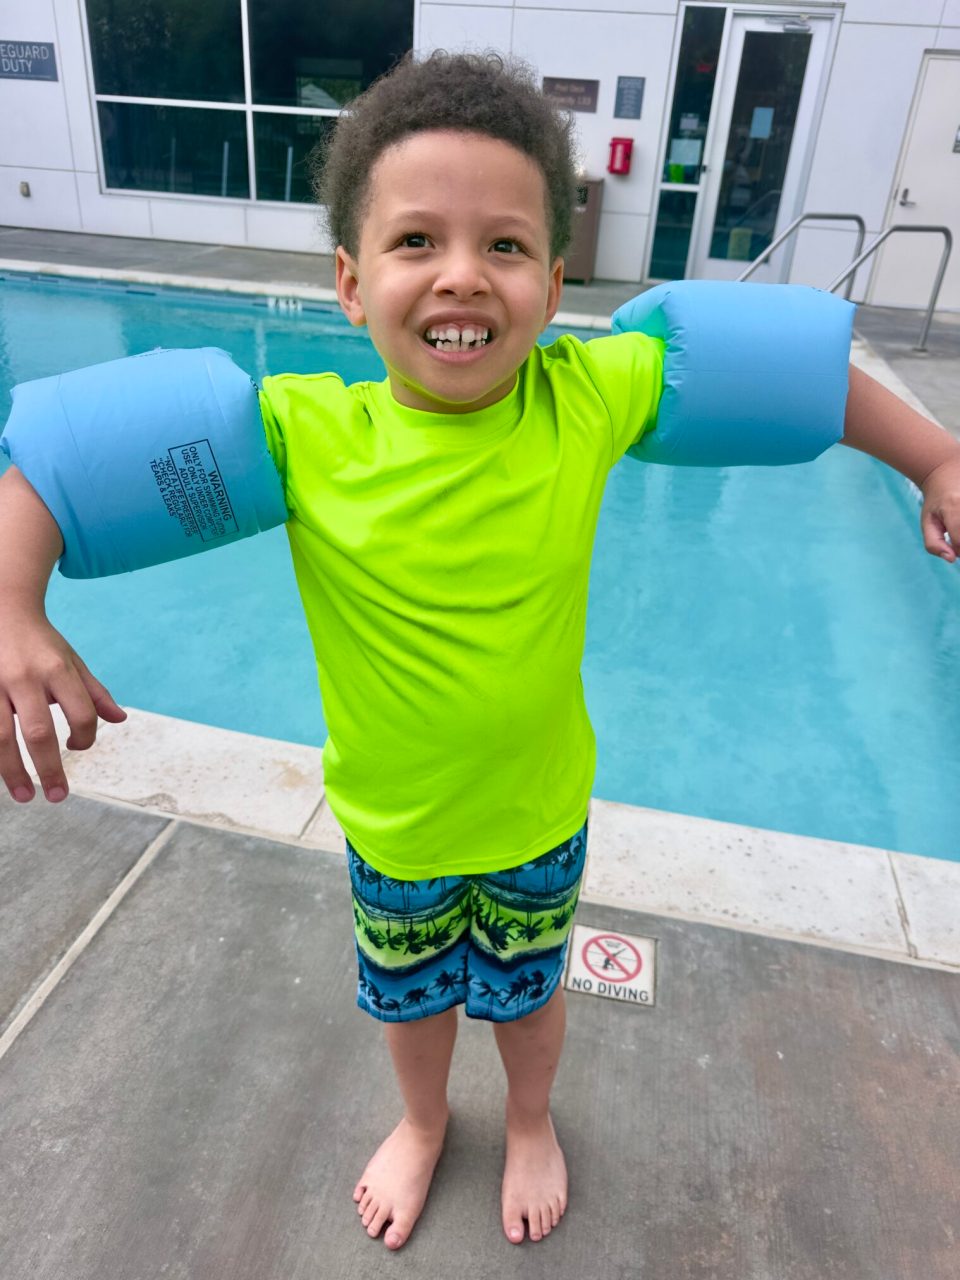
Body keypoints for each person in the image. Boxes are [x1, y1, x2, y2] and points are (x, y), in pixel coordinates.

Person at [1, 51, 958, 1254]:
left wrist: (932, 456)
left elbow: (795, 379)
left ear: (556, 282)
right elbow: (58, 466)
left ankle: (531, 1121)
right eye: (415, 242)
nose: (462, 273)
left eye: (505, 245)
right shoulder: (301, 437)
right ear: (351, 283)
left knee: (531, 996)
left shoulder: (585, 397)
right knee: (409, 1003)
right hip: (395, 827)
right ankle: (419, 1119)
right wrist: (12, 604)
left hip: (536, 816)